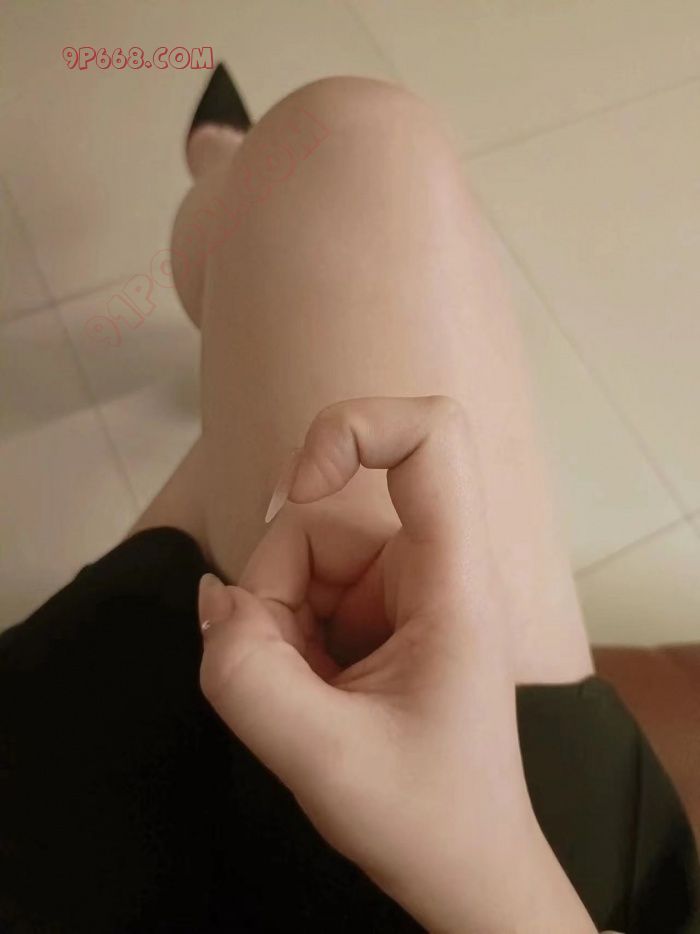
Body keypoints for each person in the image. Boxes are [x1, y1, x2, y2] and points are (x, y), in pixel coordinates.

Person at [0, 66, 697, 934]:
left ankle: (221, 189)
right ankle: (226, 216)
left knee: (329, 161)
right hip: (541, 880)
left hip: (64, 842)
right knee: (351, 153)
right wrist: (490, 869)